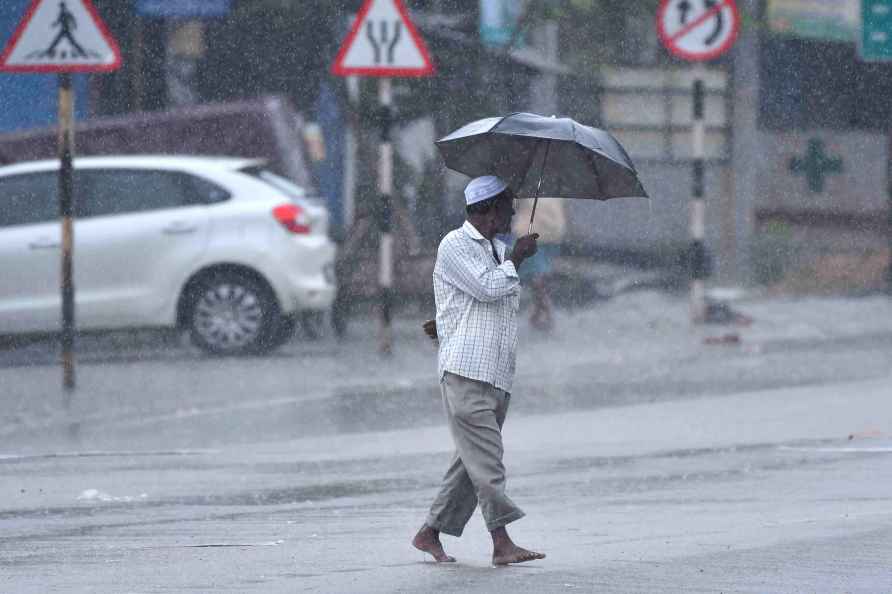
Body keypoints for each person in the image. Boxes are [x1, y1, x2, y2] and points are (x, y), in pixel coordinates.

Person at [413, 175, 546, 566]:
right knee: (487, 461)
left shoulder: (494, 249)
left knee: (468, 464)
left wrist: (510, 258)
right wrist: (516, 260)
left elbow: (481, 305)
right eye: (508, 208)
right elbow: (487, 289)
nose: (513, 214)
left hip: (497, 374)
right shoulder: (455, 244)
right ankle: (502, 542)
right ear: (488, 210)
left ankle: (429, 531)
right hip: (467, 372)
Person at [511, 198, 566, 332]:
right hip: (554, 232)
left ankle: (545, 309)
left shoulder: (528, 186)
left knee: (536, 273)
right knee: (542, 272)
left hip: (531, 232)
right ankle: (538, 310)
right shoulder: (556, 187)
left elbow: (513, 206)